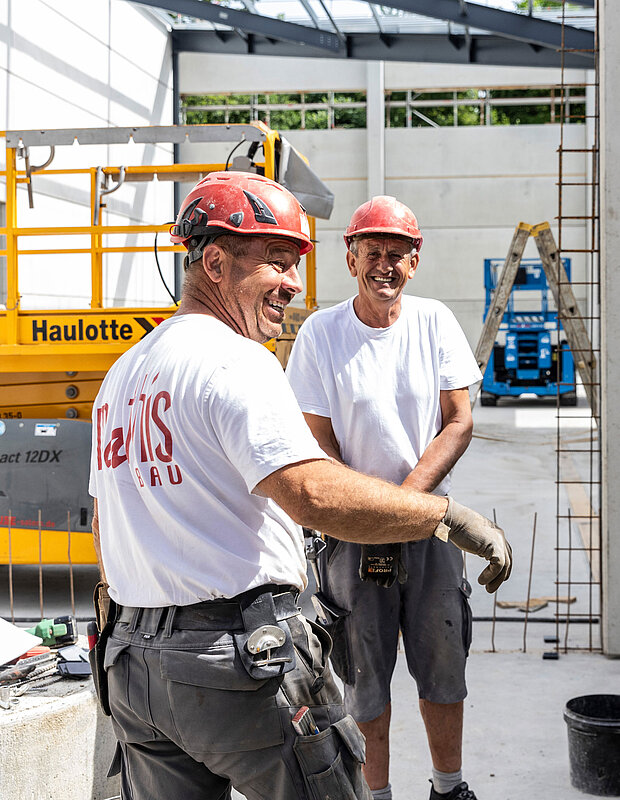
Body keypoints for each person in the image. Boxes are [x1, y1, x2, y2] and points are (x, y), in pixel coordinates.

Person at [89, 173, 511, 800]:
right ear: (214, 262)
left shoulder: (123, 373)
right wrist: (441, 516)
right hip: (233, 666)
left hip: (134, 670)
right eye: (277, 263)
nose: (293, 283)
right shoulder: (237, 361)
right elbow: (313, 491)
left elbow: (103, 521)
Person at [286, 196, 488, 800]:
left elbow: (459, 420)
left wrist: (403, 506)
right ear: (350, 259)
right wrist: (372, 516)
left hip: (429, 527)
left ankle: (448, 787)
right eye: (372, 253)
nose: (385, 266)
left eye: (397, 254)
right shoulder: (321, 334)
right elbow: (318, 444)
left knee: (443, 666)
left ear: (415, 261)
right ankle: (376, 796)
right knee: (365, 679)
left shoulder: (434, 322)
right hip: (352, 537)